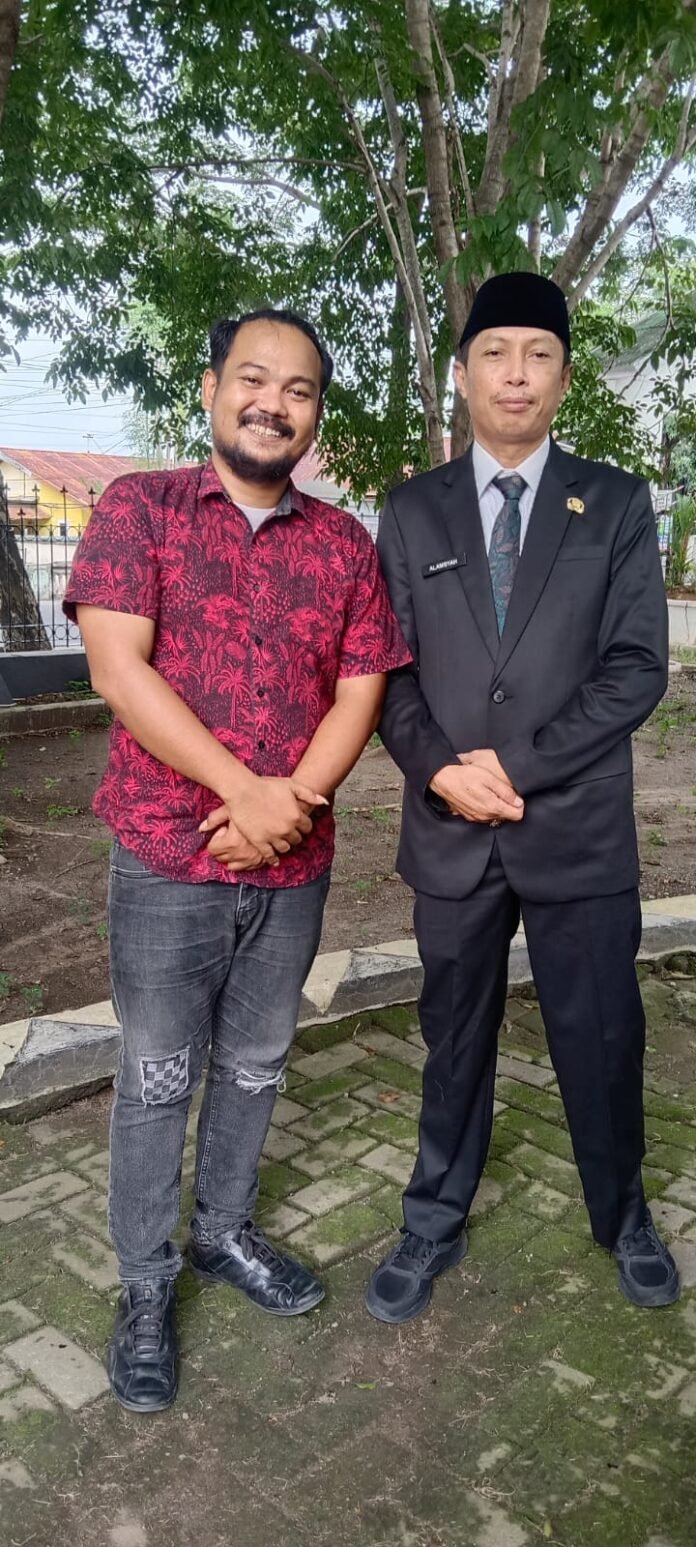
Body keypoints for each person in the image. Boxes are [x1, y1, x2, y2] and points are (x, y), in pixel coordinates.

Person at [64, 307, 410, 1411]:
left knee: (258, 1063)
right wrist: (245, 791)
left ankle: (221, 1232)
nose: (274, 402)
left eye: (299, 389)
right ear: (211, 389)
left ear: (316, 415)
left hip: (292, 867)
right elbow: (118, 669)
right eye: (253, 379)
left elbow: (361, 689)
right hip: (168, 857)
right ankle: (146, 1281)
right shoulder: (140, 508)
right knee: (158, 1077)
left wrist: (289, 806)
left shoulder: (344, 544)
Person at [367, 271, 679, 1325]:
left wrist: (520, 766)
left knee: (602, 1032)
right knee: (454, 1033)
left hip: (574, 827)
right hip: (451, 826)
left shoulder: (616, 503)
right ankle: (433, 1215)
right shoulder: (411, 510)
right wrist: (443, 770)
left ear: (564, 378)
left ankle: (623, 1213)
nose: (516, 373)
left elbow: (636, 667)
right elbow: (387, 672)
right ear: (461, 374)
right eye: (495, 352)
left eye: (538, 354)